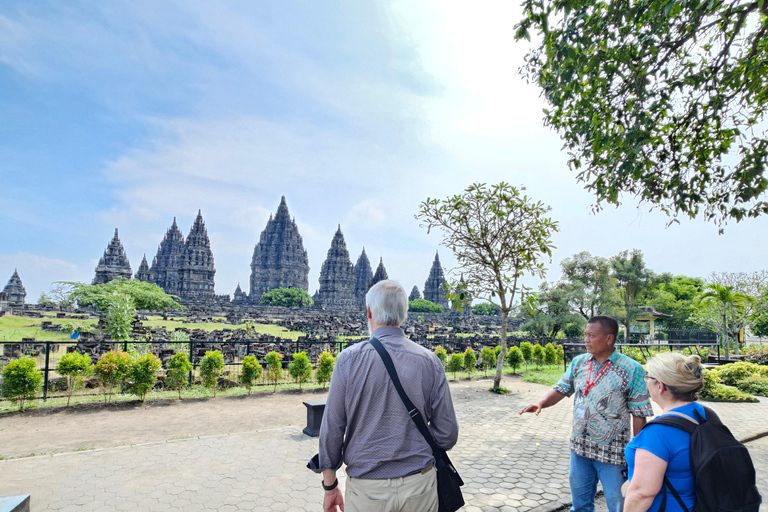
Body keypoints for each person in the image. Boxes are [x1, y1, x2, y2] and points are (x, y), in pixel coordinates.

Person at [315, 279, 460, 512]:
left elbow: (331, 430)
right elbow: (448, 434)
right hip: (419, 485)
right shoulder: (429, 361)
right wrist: (415, 445)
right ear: (404, 314)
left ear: (369, 311)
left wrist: (330, 487)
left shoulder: (348, 360)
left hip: (367, 491)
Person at [519, 316, 653, 512]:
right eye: (585, 335)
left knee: (619, 505)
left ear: (609, 339)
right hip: (580, 448)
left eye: (591, 335)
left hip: (613, 453)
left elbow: (639, 413)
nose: (586, 340)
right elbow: (561, 388)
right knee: (580, 505)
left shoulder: (631, 369)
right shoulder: (579, 363)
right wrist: (540, 403)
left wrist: (638, 451)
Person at [623, 352, 705, 512]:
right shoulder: (701, 413)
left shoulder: (657, 434)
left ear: (659, 386)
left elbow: (642, 494)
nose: (646, 383)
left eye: (648, 378)